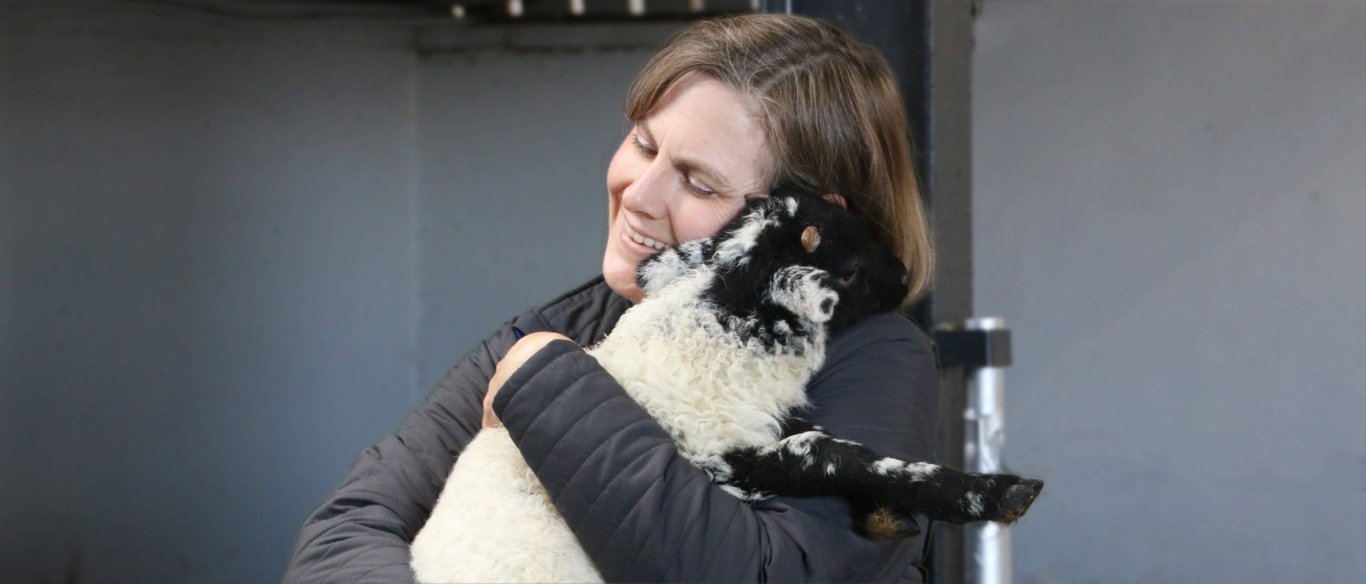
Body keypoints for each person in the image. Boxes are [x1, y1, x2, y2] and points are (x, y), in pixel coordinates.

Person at [285, 13, 939, 583]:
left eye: (699, 184)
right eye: (644, 144)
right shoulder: (568, 325)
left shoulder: (873, 361)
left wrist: (546, 385)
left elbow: (766, 572)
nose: (639, 193)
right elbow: (350, 527)